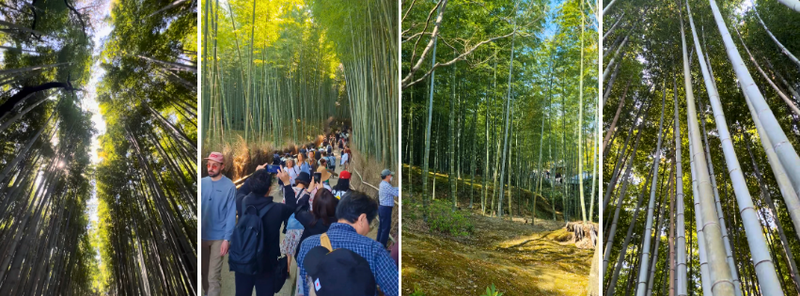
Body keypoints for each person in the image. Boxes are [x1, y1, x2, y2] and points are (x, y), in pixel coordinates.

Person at [297, 192, 398, 296]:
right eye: (370, 223)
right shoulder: (374, 249)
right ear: (362, 219)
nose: (368, 229)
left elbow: (303, 286)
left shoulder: (307, 245)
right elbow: (395, 289)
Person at [231, 168, 297, 296]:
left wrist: (255, 175)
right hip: (266, 265)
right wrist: (287, 182)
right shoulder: (277, 210)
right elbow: (292, 206)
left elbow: (241, 191)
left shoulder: (242, 203)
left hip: (243, 262)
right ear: (269, 189)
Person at [291, 188, 339, 295]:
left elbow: (298, 209)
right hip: (329, 261)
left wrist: (308, 192)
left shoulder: (310, 219)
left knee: (304, 287)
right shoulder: (337, 221)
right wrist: (328, 197)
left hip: (307, 260)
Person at [201, 152, 236, 296]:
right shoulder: (202, 183)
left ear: (222, 166)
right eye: (209, 164)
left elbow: (230, 214)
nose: (211, 168)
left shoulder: (229, 186)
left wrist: (227, 239)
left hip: (219, 237)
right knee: (203, 276)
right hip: (202, 235)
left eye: (214, 165)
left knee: (213, 277)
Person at [377, 169, 397, 248]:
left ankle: (378, 244)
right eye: (390, 175)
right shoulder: (386, 185)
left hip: (382, 208)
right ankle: (382, 247)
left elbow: (393, 190)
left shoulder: (383, 184)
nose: (391, 176)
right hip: (386, 209)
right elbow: (395, 193)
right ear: (387, 176)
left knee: (381, 227)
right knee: (385, 228)